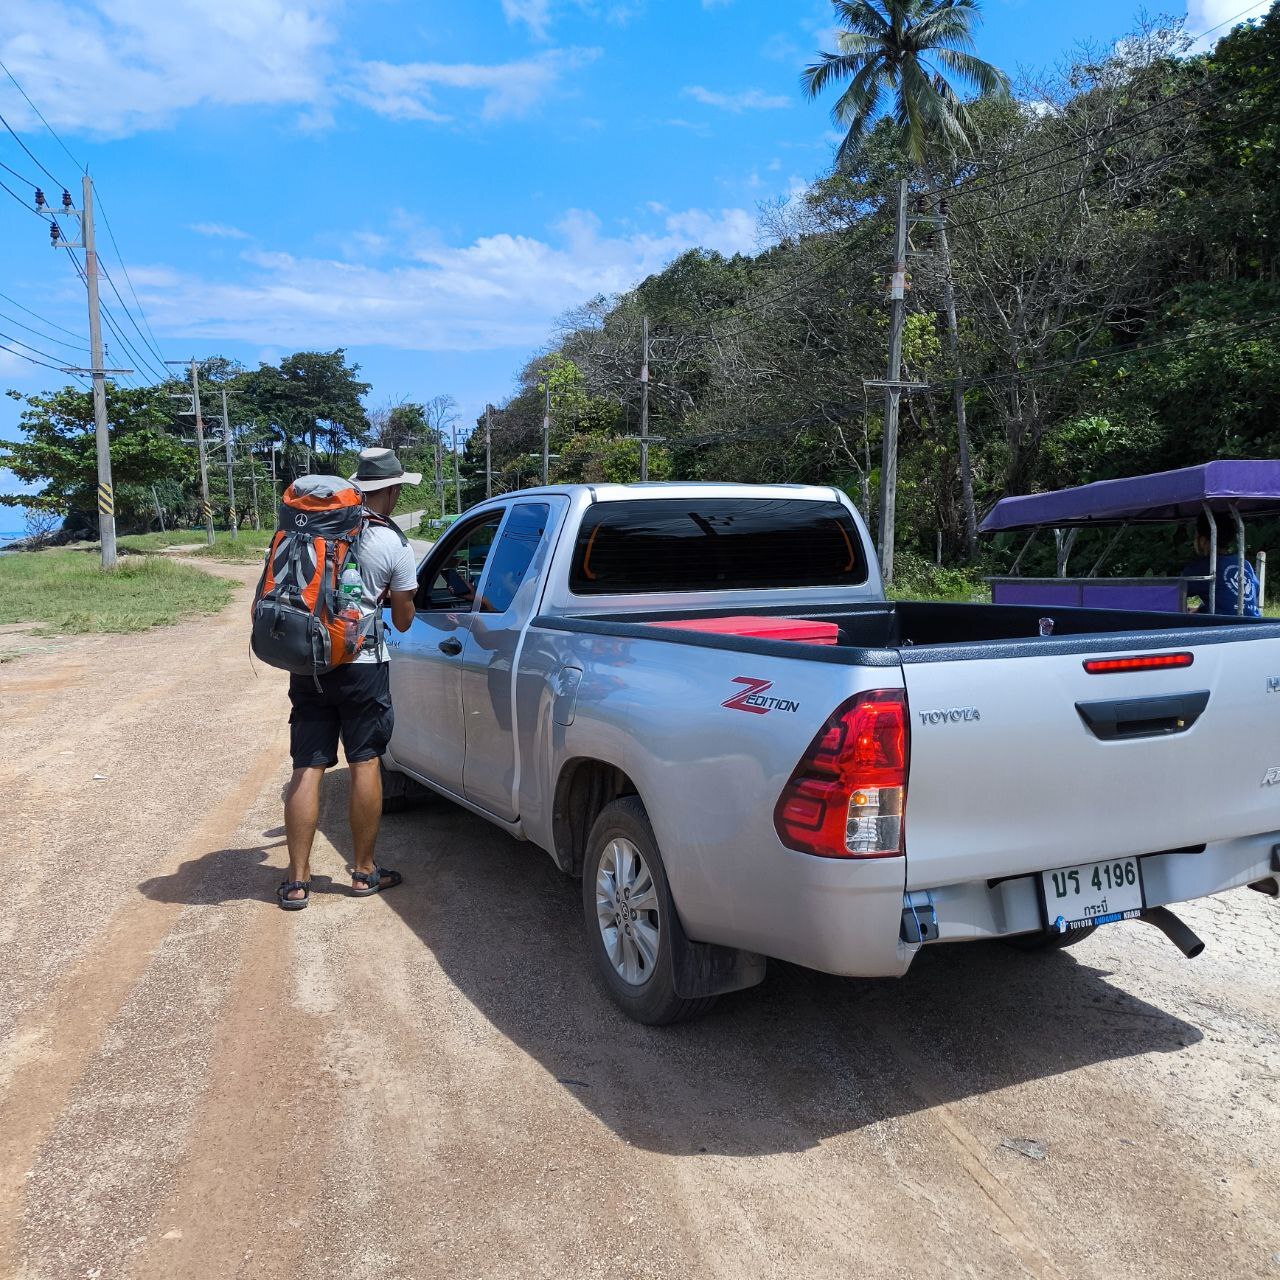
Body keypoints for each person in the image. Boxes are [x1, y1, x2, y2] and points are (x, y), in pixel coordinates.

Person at [279, 448, 420, 909]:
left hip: (311, 663)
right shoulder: (392, 543)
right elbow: (402, 622)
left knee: (308, 766)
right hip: (364, 665)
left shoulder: (311, 530)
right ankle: (362, 872)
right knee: (364, 762)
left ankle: (297, 881)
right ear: (394, 490)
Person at [1182, 512, 1261, 617]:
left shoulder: (1197, 569)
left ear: (1202, 540)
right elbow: (1256, 590)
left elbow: (1183, 602)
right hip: (1253, 624)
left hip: (1220, 627)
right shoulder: (1245, 564)